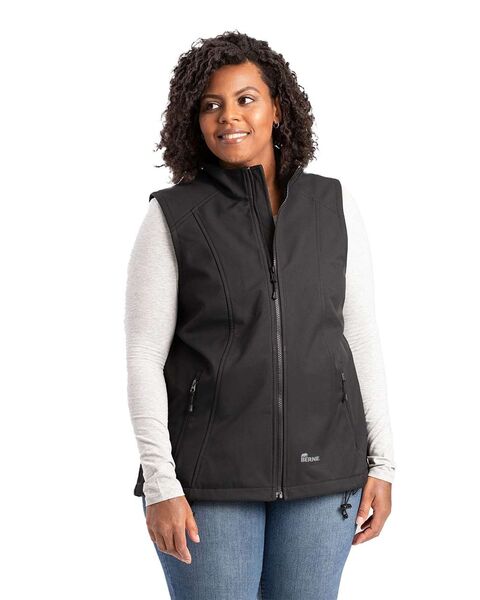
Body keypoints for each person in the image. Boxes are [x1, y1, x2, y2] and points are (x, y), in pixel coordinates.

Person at [125, 30, 396, 600]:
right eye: (211, 104)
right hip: (207, 481)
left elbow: (358, 334)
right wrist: (160, 482)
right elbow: (144, 356)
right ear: (194, 120)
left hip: (325, 474)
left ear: (278, 109)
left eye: (245, 99)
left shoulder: (331, 205)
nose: (229, 116)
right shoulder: (174, 216)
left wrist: (383, 462)